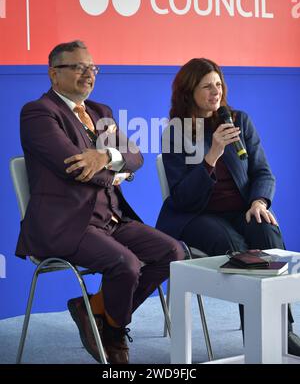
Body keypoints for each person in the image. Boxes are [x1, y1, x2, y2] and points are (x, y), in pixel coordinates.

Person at [15, 40, 185, 364]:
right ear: (53, 74)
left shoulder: (101, 112)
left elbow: (135, 157)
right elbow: (73, 166)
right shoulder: (38, 112)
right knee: (126, 264)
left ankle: (96, 311)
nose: (88, 73)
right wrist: (115, 174)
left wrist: (107, 155)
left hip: (111, 220)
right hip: (65, 224)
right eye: (78, 67)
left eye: (92, 67)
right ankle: (116, 334)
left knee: (172, 252)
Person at [156, 57, 300, 356]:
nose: (215, 92)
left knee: (268, 236)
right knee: (239, 249)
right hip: (196, 215)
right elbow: (182, 197)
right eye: (207, 86)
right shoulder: (176, 131)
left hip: (241, 209)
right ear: (189, 91)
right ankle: (258, 336)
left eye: (218, 84)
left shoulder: (238, 120)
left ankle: (282, 331)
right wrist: (213, 154)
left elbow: (262, 171)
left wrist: (259, 201)